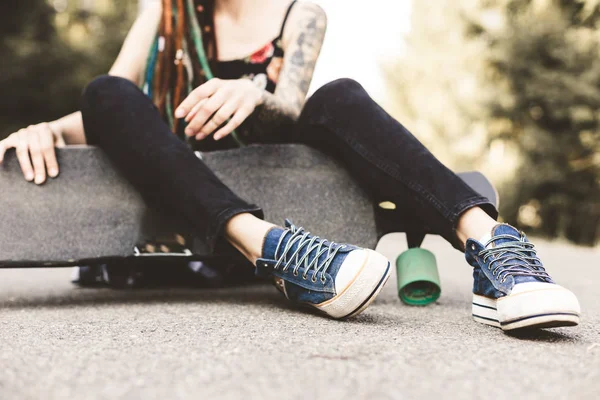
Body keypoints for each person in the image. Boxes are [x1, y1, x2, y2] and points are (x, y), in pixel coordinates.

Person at [0, 0, 580, 329]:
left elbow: (295, 104)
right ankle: (276, 254)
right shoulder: (167, 7)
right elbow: (113, 107)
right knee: (103, 89)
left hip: (270, 160)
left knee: (340, 94)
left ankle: (495, 250)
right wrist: (48, 128)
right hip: (182, 178)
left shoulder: (302, 14)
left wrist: (254, 91)